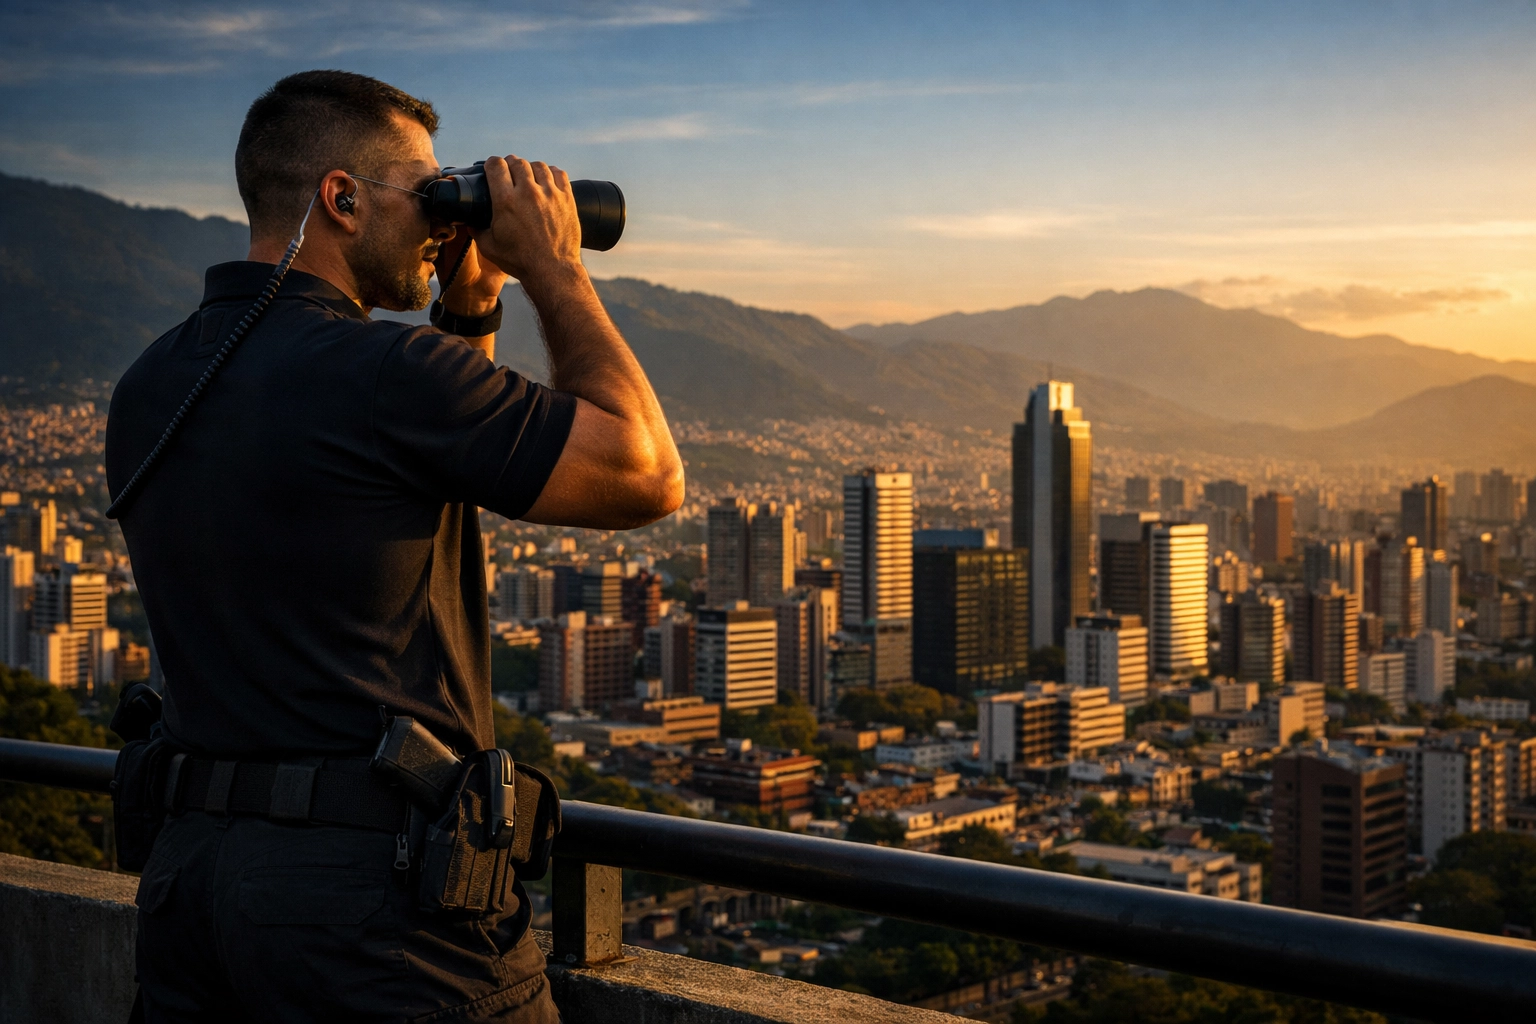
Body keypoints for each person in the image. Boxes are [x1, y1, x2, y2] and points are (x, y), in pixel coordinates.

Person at [105, 70, 683, 1023]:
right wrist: (553, 266)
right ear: (341, 198)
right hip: (377, 914)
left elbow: (409, 480)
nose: (434, 221)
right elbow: (645, 473)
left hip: (194, 887)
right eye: (423, 195)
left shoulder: (152, 381)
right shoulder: (381, 372)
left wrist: (471, 301)